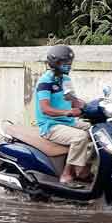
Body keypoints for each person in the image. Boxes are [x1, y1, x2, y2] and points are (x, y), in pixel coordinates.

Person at [36, 45, 91, 186]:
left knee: (96, 130)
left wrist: (91, 107)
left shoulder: (66, 79)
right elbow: (45, 109)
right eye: (65, 63)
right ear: (55, 63)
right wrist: (67, 112)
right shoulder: (45, 81)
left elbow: (73, 101)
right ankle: (66, 174)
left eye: (69, 63)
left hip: (68, 122)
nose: (68, 66)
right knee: (80, 137)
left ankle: (84, 169)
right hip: (50, 125)